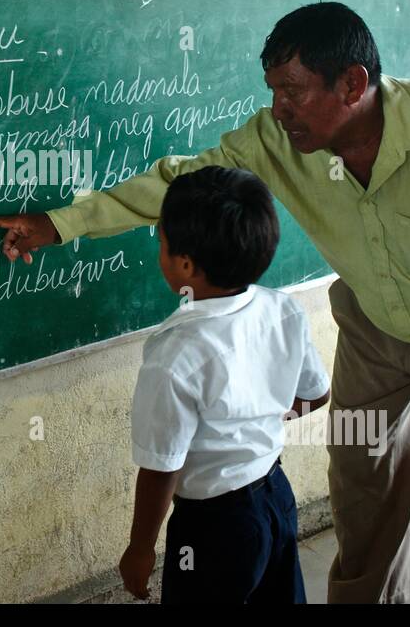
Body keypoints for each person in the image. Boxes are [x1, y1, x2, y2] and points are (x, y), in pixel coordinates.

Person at [0, 2, 410, 603]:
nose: (279, 109)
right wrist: (59, 223)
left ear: (352, 84)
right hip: (377, 329)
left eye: (293, 92)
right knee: (362, 483)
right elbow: (182, 183)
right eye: (273, 92)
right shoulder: (274, 144)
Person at [118, 167, 329, 603]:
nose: (160, 250)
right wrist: (253, 421)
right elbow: (316, 394)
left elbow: (161, 467)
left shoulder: (174, 356)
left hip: (213, 527)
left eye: (161, 243)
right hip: (276, 497)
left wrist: (140, 550)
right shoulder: (282, 310)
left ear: (186, 264)